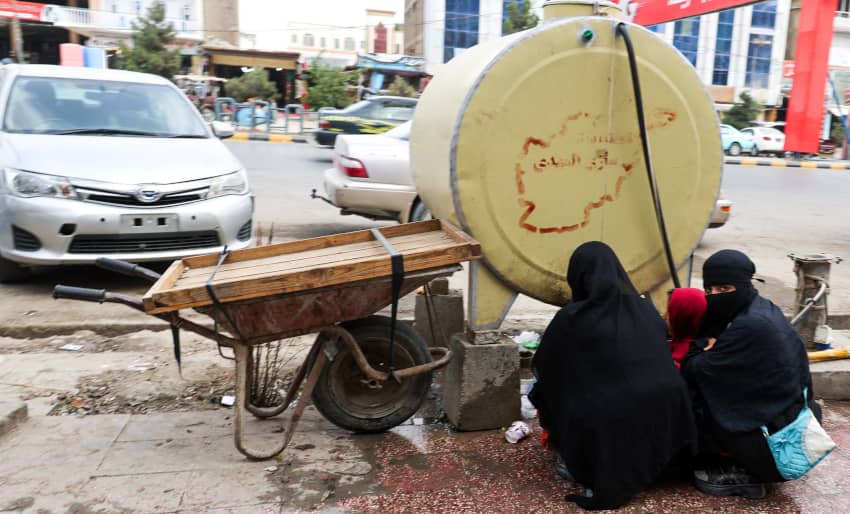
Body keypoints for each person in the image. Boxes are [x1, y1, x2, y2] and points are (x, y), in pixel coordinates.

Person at [529, 241, 697, 510]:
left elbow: (545, 368)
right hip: (667, 420)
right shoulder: (645, 310)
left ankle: (585, 458)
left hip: (611, 421)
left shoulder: (571, 318)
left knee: (548, 392)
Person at [682, 249, 821, 499]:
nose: (714, 297)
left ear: (744, 284)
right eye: (709, 290)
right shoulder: (763, 309)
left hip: (778, 446)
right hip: (795, 419)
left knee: (694, 400)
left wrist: (704, 347)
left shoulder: (750, 326)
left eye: (724, 289)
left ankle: (746, 474)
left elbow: (692, 369)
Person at [666, 288, 707, 369]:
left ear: (680, 317)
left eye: (669, 311)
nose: (664, 316)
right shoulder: (706, 351)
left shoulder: (671, 364)